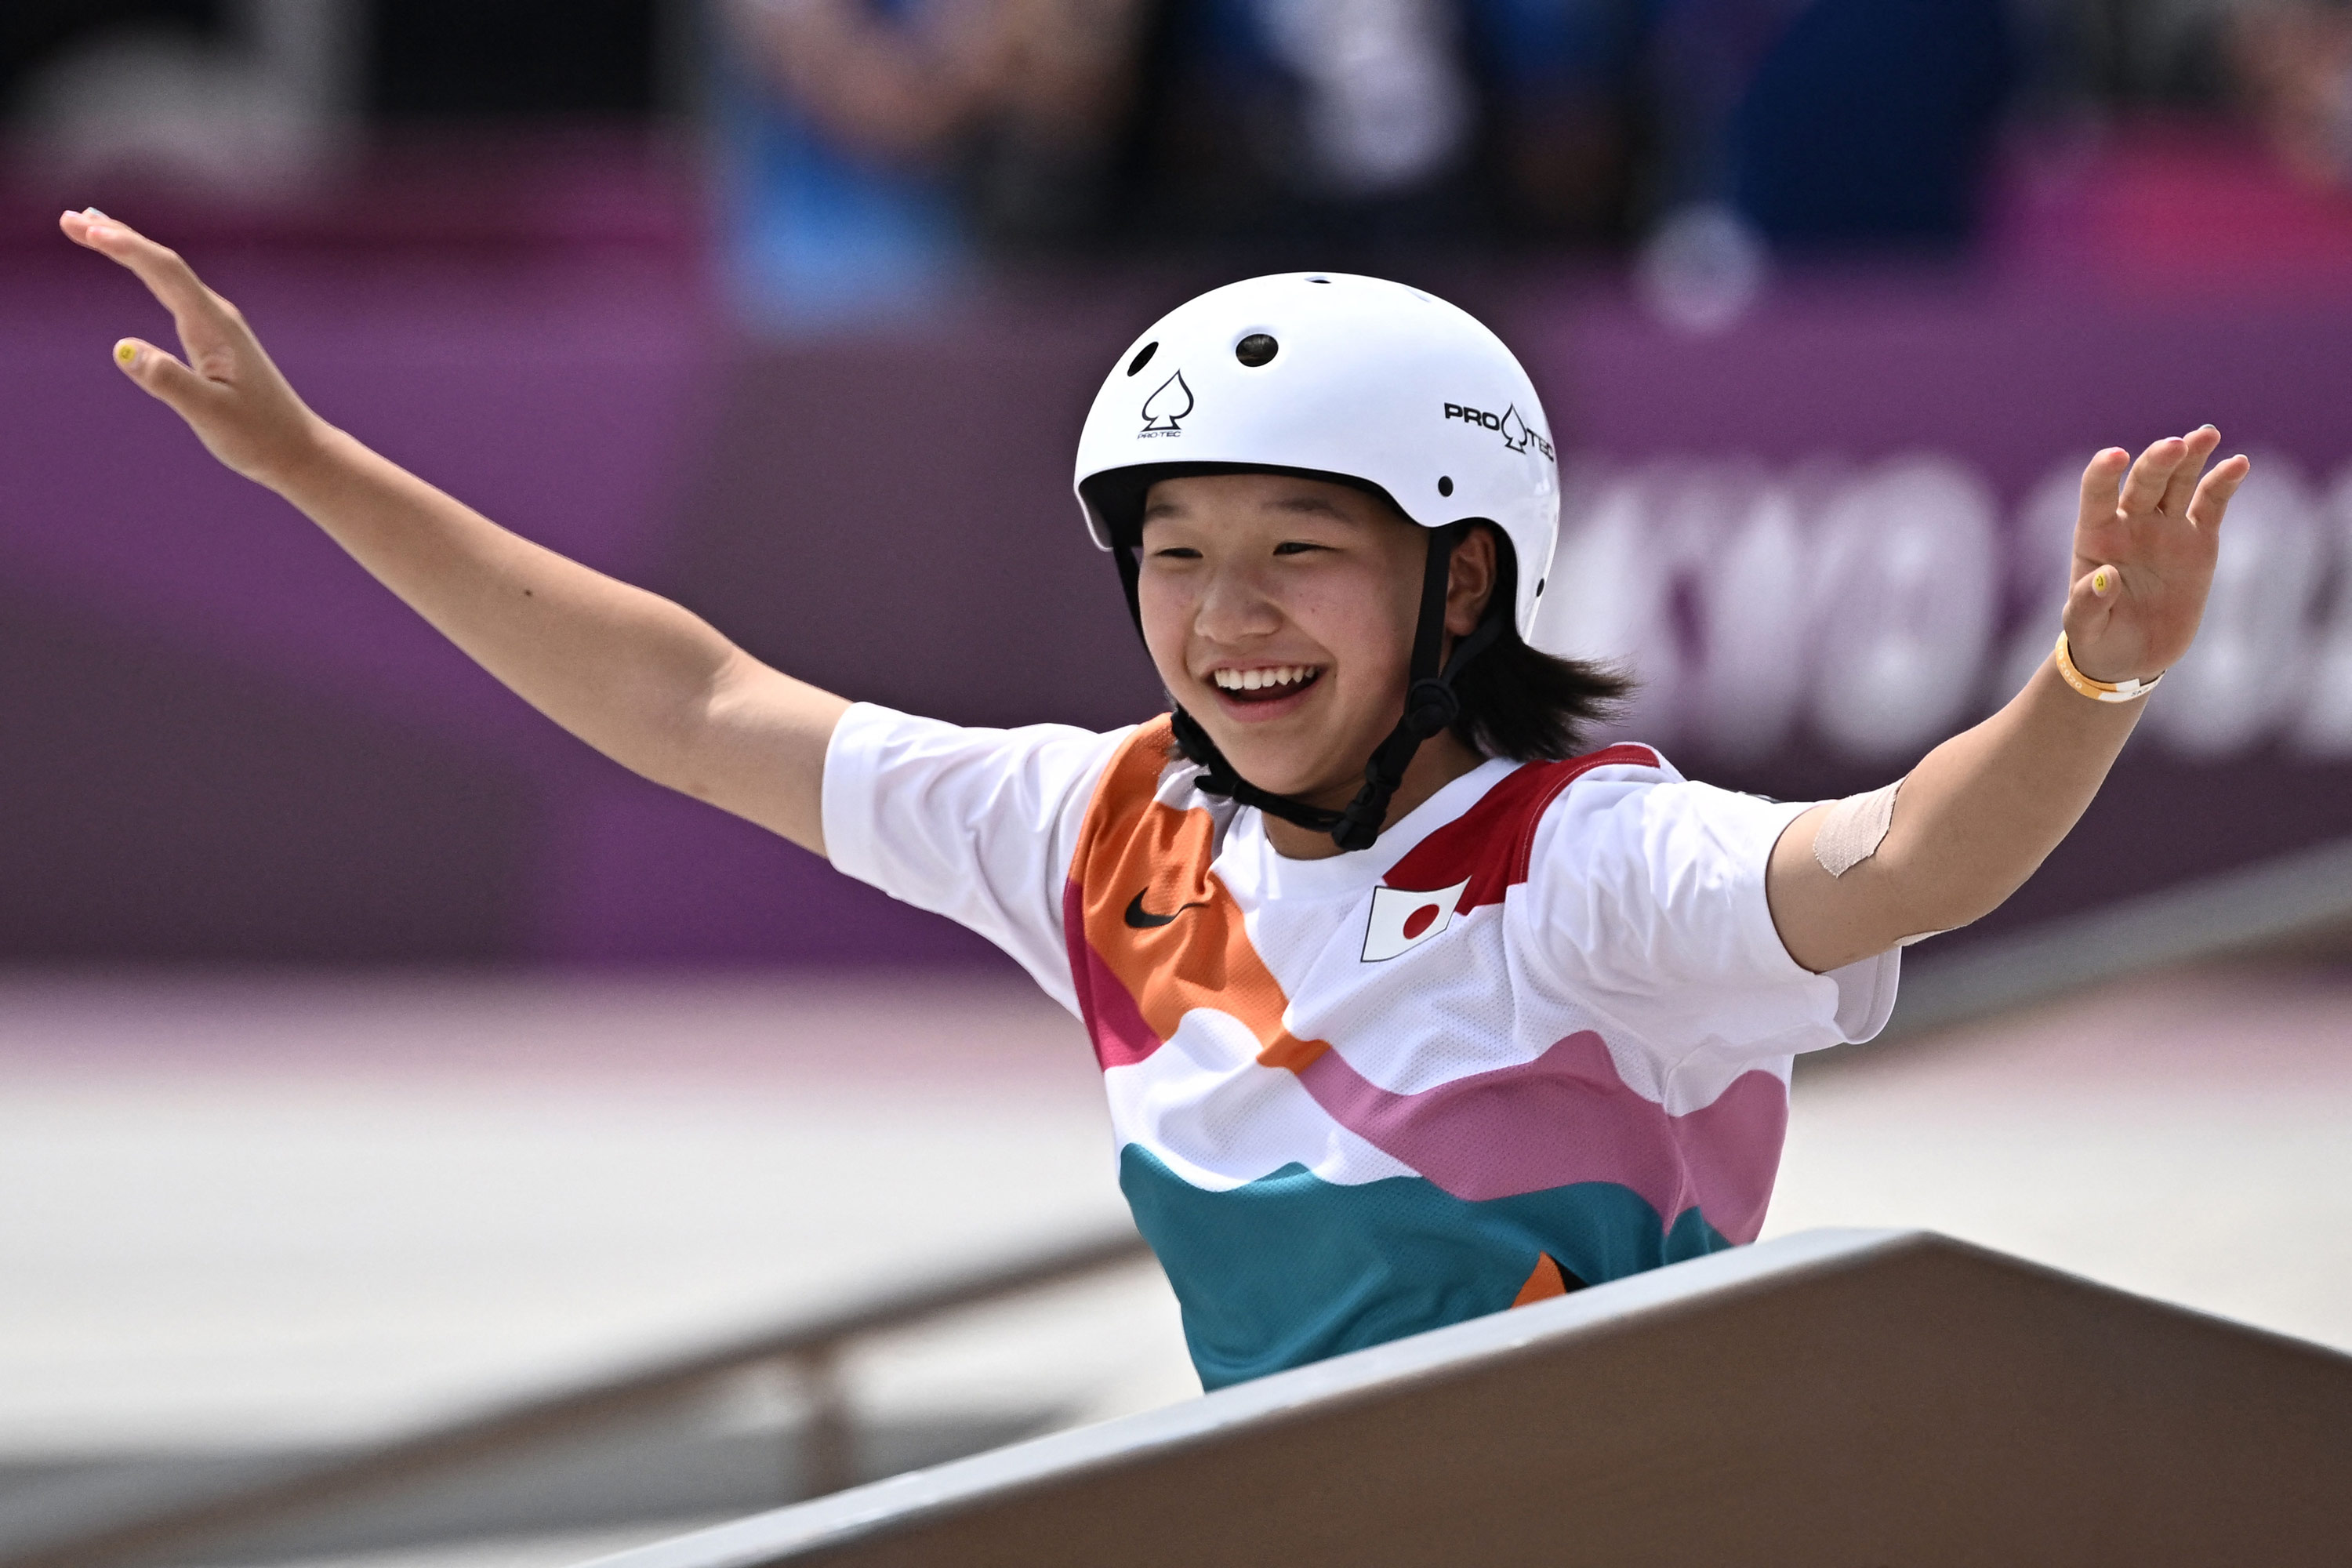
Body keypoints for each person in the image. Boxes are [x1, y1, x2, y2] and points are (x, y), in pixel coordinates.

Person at [57, 209, 2248, 1390]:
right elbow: (696, 699)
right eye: (1176, 553)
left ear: (1463, 579)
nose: (1227, 616)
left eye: (1301, 547)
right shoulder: (1102, 829)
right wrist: (310, 466)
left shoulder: (1581, 866)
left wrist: (2094, 672)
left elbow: (1903, 862)